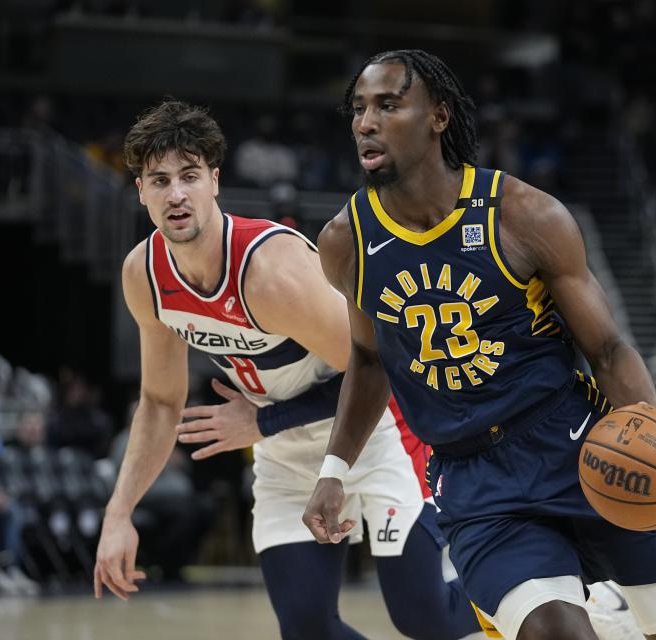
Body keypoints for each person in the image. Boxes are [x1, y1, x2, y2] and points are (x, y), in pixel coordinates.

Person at [304, 49, 656, 640]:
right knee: (555, 634)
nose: (365, 123)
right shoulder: (345, 241)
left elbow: (607, 350)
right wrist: (334, 470)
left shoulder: (525, 215)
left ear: (438, 116)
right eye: (358, 109)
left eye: (387, 105)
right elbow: (370, 359)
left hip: (574, 445)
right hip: (474, 478)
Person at [92, 100, 483, 640]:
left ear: (214, 182)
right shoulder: (146, 274)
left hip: (374, 431)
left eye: (189, 176)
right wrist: (119, 514)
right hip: (285, 455)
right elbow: (160, 403)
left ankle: (559, 585)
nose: (176, 193)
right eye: (159, 180)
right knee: (307, 630)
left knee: (424, 618)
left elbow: (387, 367)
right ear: (140, 191)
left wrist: (263, 424)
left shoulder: (270, 271)